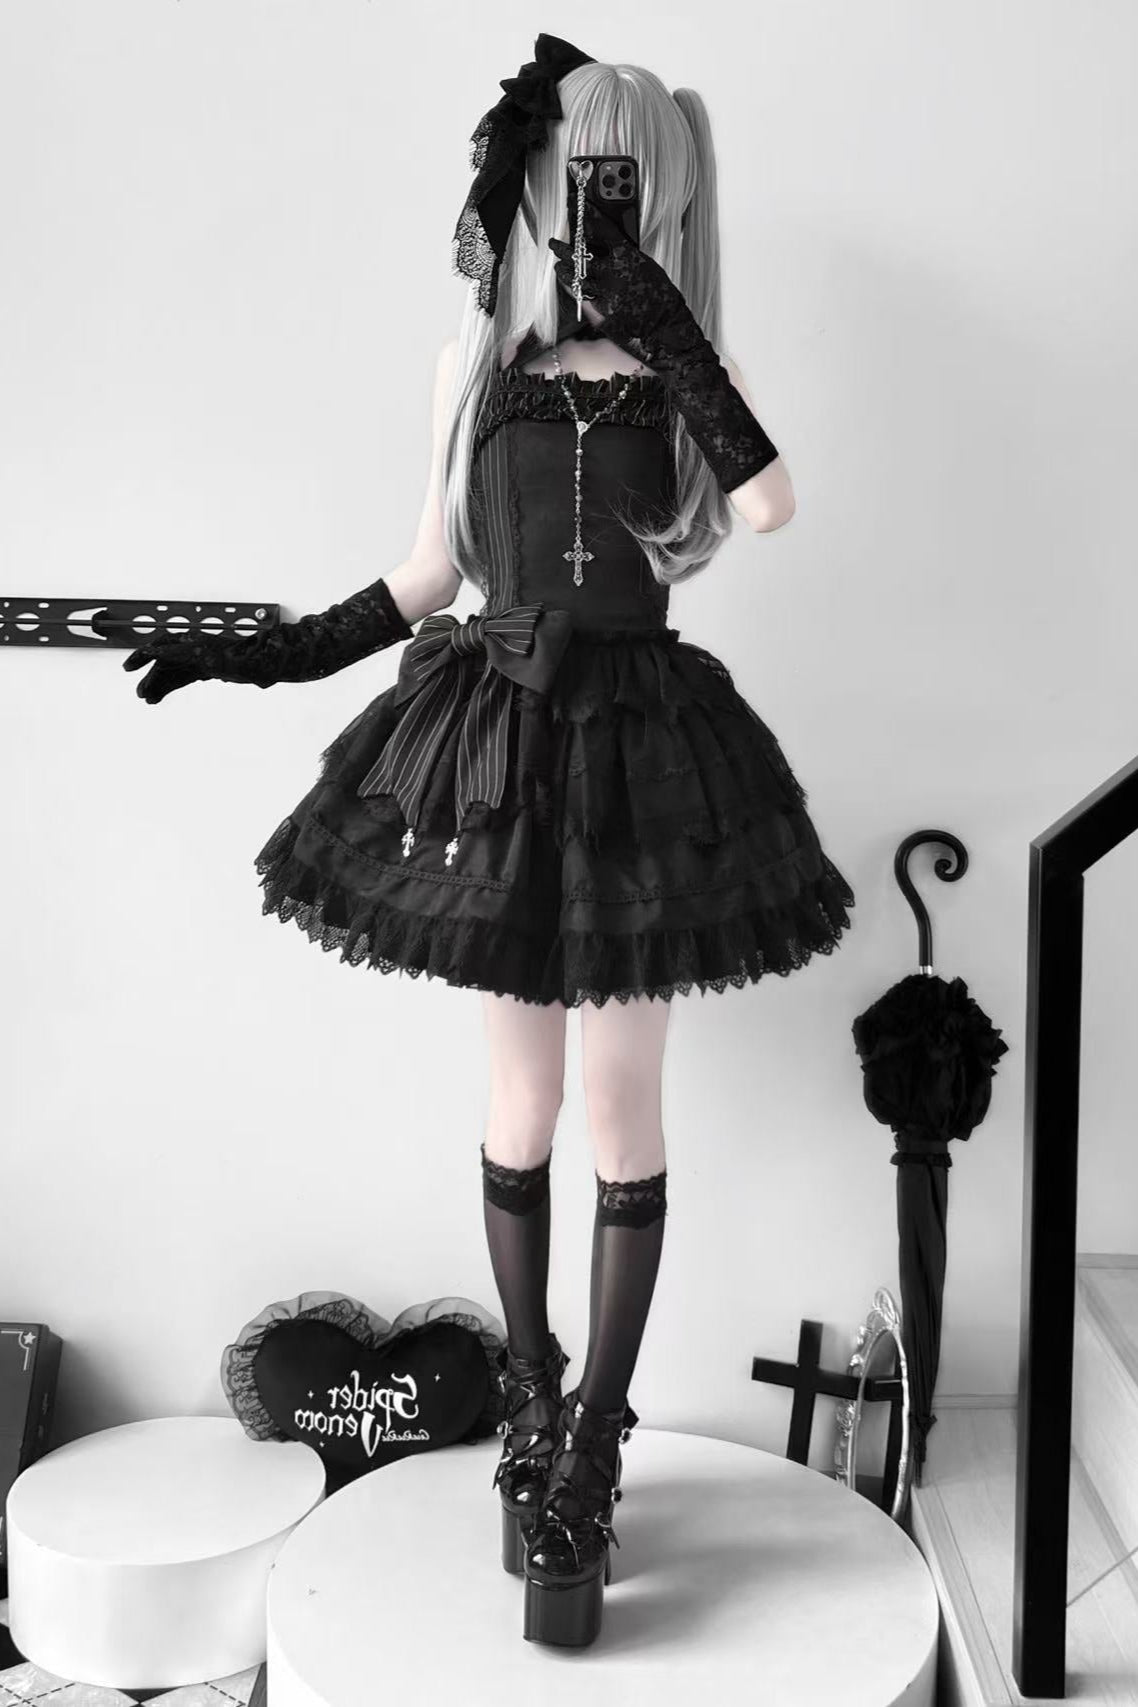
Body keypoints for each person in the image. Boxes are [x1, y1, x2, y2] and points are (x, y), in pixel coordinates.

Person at [122, 37, 855, 1650]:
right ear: (529, 187)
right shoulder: (474, 362)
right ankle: (528, 1407)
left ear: (661, 193)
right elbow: (419, 581)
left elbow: (770, 506)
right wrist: (254, 655)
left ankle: (596, 1443)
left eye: (621, 179)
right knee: (519, 1099)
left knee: (621, 1106)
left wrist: (662, 323)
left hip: (643, 758)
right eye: (570, 176)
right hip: (500, 754)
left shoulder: (686, 370)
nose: (590, 202)